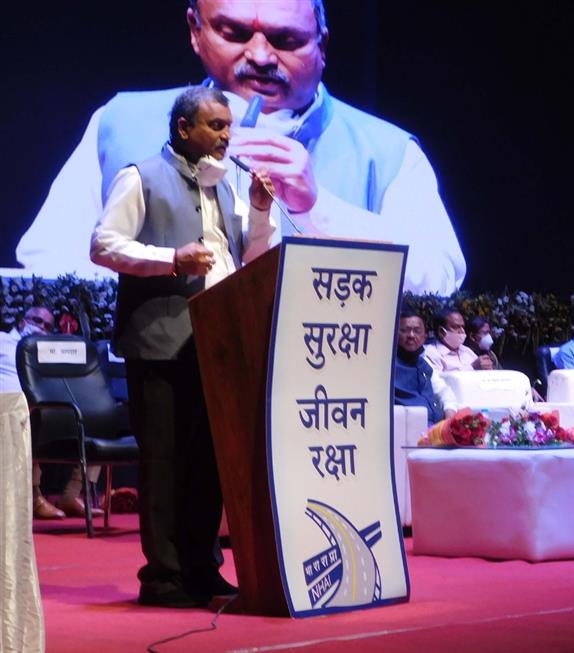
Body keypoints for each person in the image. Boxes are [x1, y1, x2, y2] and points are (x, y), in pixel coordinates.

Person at [17, 0, 465, 296]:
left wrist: (318, 210)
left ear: (322, 44)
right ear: (195, 30)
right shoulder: (120, 123)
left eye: (286, 39)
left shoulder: (387, 151)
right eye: (233, 33)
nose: (261, 57)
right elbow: (49, 263)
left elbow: (439, 282)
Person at [90, 86, 277, 608]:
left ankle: (203, 568)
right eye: (216, 126)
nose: (226, 136)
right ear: (183, 128)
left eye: (228, 127)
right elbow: (103, 244)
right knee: (166, 463)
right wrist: (170, 259)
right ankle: (164, 578)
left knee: (209, 463)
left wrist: (260, 211)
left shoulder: (226, 186)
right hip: (161, 345)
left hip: (218, 344)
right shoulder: (141, 176)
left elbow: (249, 256)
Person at [0, 306, 104, 520]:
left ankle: (72, 494)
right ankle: (34, 497)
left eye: (47, 326)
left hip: (49, 407)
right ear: (22, 322)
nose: (41, 328)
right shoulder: (2, 340)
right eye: (37, 320)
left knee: (100, 422)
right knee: (28, 416)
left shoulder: (45, 350)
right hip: (11, 407)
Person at [394, 307, 458, 425]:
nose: (411, 335)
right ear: (395, 335)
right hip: (407, 428)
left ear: (425, 336)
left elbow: (444, 392)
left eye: (417, 331)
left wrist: (450, 413)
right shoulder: (389, 367)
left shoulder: (424, 364)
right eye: (405, 330)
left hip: (437, 428)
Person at [423, 307, 492, 372]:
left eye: (462, 327)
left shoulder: (466, 351)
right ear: (441, 331)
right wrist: (472, 367)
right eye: (456, 327)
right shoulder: (430, 354)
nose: (462, 331)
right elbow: (437, 379)